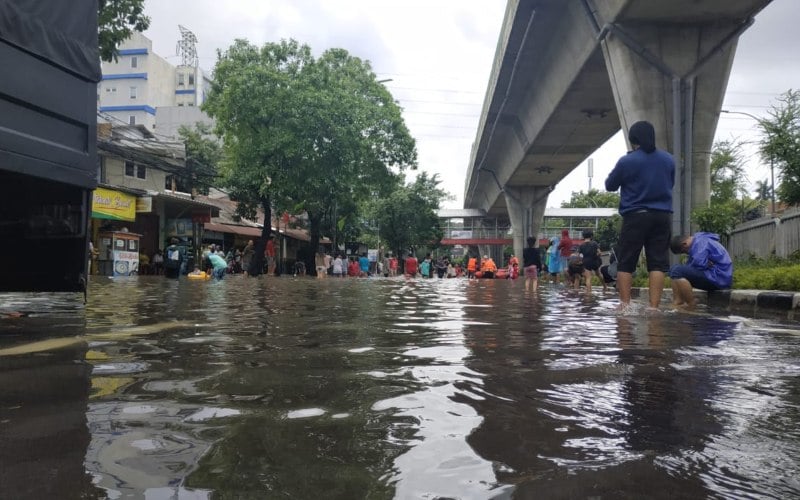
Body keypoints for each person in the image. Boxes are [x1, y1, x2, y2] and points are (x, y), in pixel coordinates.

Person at [605, 120, 675, 312]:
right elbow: (671, 183)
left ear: (633, 139)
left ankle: (625, 305)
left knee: (626, 262)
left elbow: (609, 185)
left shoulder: (627, 161)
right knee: (657, 263)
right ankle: (654, 307)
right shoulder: (669, 159)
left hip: (635, 215)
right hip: (662, 216)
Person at [669, 233, 733, 309]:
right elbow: (698, 264)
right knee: (673, 269)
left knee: (677, 271)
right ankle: (678, 301)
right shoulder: (698, 241)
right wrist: (705, 263)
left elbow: (699, 265)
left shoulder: (700, 243)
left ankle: (691, 304)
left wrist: (701, 264)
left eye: (684, 252)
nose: (687, 253)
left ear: (684, 244)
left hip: (718, 278)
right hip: (714, 275)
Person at [579, 229, 606, 294]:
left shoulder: (581, 245)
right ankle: (605, 287)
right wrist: (597, 255)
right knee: (599, 274)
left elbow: (579, 255)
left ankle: (589, 292)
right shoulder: (594, 243)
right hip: (594, 261)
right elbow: (599, 253)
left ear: (583, 236)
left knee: (588, 278)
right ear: (591, 236)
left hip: (586, 262)